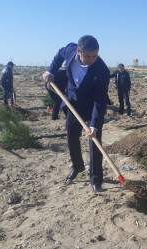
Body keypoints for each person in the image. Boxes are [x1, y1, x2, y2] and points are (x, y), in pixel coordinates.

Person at [42, 35, 110, 193]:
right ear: (79, 52)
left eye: (95, 56)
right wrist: (50, 71)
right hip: (73, 103)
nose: (92, 59)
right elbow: (59, 53)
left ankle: (96, 179)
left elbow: (100, 100)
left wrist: (93, 125)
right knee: (72, 136)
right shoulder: (70, 50)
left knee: (94, 140)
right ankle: (77, 166)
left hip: (92, 105)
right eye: (88, 56)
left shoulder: (102, 70)